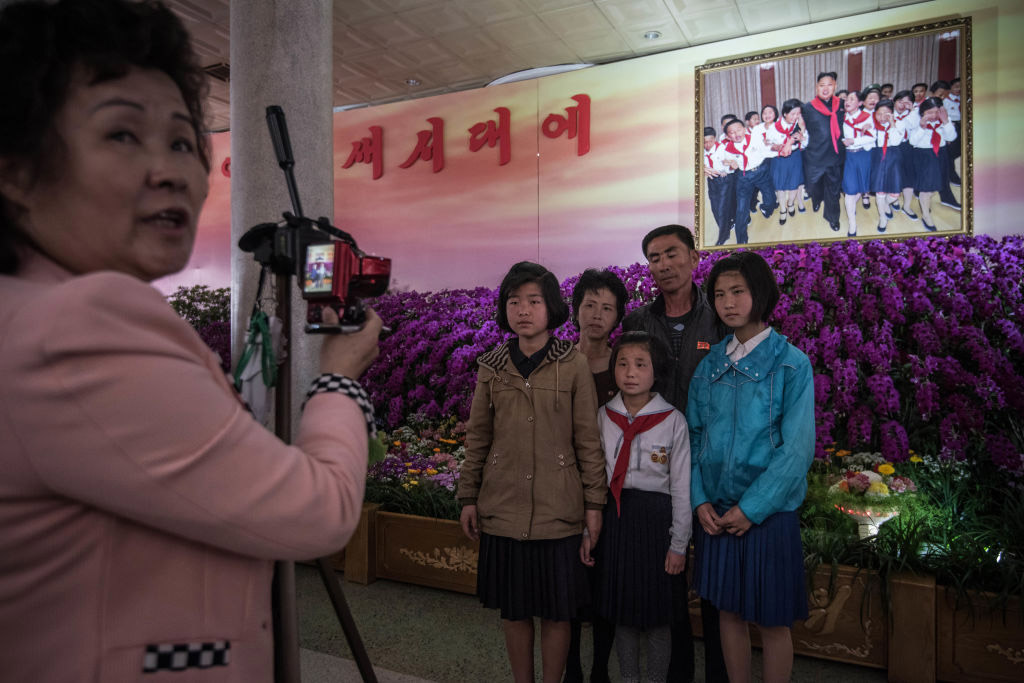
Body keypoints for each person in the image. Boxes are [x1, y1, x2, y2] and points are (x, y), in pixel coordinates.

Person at [0, 1, 382, 680]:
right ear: (17, 171)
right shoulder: (79, 326)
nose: (171, 170)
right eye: (122, 135)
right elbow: (316, 511)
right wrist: (340, 380)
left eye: (183, 141)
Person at [458, 261, 606, 683]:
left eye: (534, 301)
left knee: (558, 611)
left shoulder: (573, 364)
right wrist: (468, 496)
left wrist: (593, 506)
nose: (523, 309)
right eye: (514, 301)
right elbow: (478, 437)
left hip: (558, 511)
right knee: (515, 609)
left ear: (552, 308)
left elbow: (588, 441)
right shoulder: (491, 366)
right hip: (503, 507)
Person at [687, 251, 815, 683]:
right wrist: (700, 498)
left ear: (760, 293)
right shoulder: (708, 368)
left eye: (737, 291)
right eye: (719, 294)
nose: (728, 302)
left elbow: (796, 451)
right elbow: (695, 439)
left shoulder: (791, 364)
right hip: (718, 514)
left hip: (768, 515)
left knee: (773, 621)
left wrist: (752, 508)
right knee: (727, 613)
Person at [622, 224, 728, 683]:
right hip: (657, 470)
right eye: (653, 257)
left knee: (715, 587)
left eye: (671, 254)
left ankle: (721, 674)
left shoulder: (720, 318)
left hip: (712, 465)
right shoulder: (638, 324)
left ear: (693, 256)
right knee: (670, 582)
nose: (662, 265)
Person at [593, 331, 691, 683]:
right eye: (622, 364)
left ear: (656, 370)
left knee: (658, 615)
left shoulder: (673, 420)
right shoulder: (603, 416)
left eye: (640, 364)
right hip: (616, 520)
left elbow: (681, 488)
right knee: (623, 612)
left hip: (657, 525)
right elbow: (592, 475)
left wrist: (679, 543)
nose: (630, 372)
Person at [565, 268, 629, 683]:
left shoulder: (625, 366)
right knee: (568, 588)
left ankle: (600, 669)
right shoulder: (559, 363)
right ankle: (569, 667)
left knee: (607, 587)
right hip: (566, 491)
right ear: (575, 310)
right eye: (589, 305)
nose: (596, 314)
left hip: (613, 491)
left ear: (618, 316)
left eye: (607, 307)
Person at [720, 118, 777, 244]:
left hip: (761, 171)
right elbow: (727, 167)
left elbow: (765, 151)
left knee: (772, 200)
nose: (736, 134)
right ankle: (742, 241)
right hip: (744, 177)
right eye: (732, 133)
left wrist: (779, 150)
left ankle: (765, 207)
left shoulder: (754, 139)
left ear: (744, 129)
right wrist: (731, 167)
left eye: (739, 130)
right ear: (728, 136)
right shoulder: (728, 149)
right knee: (741, 210)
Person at [801, 72, 844, 232]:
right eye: (821, 85)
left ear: (835, 86)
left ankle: (833, 218)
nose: (825, 88)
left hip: (835, 155)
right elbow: (800, 129)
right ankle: (817, 198)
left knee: (833, 190)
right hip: (815, 157)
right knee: (812, 187)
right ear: (816, 87)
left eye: (829, 84)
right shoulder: (808, 107)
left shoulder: (842, 105)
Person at [908, 97, 958, 231]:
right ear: (923, 112)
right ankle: (926, 215)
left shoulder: (943, 120)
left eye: (937, 112)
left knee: (936, 186)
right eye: (930, 112)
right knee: (926, 188)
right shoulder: (915, 120)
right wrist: (922, 127)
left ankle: (924, 202)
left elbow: (951, 138)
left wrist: (946, 121)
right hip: (924, 156)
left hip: (940, 154)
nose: (934, 116)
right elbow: (912, 142)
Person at [765, 99, 807, 224]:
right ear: (784, 113)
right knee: (780, 186)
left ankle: (790, 203)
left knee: (794, 183)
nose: (795, 117)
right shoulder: (773, 128)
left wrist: (803, 137)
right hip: (779, 159)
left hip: (795, 157)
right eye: (793, 114)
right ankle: (783, 210)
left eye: (798, 114)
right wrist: (776, 147)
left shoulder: (800, 125)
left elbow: (806, 143)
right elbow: (768, 145)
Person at [840, 89, 875, 237]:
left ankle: (852, 206)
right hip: (848, 156)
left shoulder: (868, 117)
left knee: (861, 187)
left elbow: (873, 137)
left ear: (860, 103)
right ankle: (852, 223)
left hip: (863, 155)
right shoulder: (841, 117)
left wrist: (854, 140)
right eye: (847, 99)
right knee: (849, 190)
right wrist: (843, 141)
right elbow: (836, 135)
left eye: (852, 99)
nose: (847, 101)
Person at [870, 99, 905, 233]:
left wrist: (891, 125)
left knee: (895, 193)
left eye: (886, 113)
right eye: (879, 114)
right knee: (880, 191)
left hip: (893, 159)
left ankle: (884, 205)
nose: (882, 117)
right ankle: (882, 217)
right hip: (878, 159)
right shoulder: (872, 124)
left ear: (892, 113)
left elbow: (896, 142)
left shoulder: (899, 124)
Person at [702, 127, 738, 246]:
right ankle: (726, 229)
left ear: (715, 139)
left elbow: (733, 162)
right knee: (715, 208)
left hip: (724, 180)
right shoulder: (700, 151)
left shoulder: (723, 148)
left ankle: (722, 237)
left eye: (710, 141)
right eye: (704, 142)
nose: (707, 145)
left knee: (722, 209)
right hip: (712, 181)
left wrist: (726, 169)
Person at [892, 90, 920, 220]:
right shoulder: (888, 113)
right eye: (900, 101)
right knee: (894, 175)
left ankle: (907, 206)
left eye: (907, 102)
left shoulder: (915, 115)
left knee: (909, 177)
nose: (902, 105)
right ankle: (894, 200)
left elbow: (912, 124)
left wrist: (913, 110)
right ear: (894, 101)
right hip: (892, 147)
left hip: (908, 147)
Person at [944, 77, 962, 185]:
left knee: (959, 150)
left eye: (960, 87)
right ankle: (952, 176)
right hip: (951, 126)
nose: (958, 89)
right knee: (950, 152)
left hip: (961, 126)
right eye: (956, 87)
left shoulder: (963, 99)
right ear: (950, 88)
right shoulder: (946, 101)